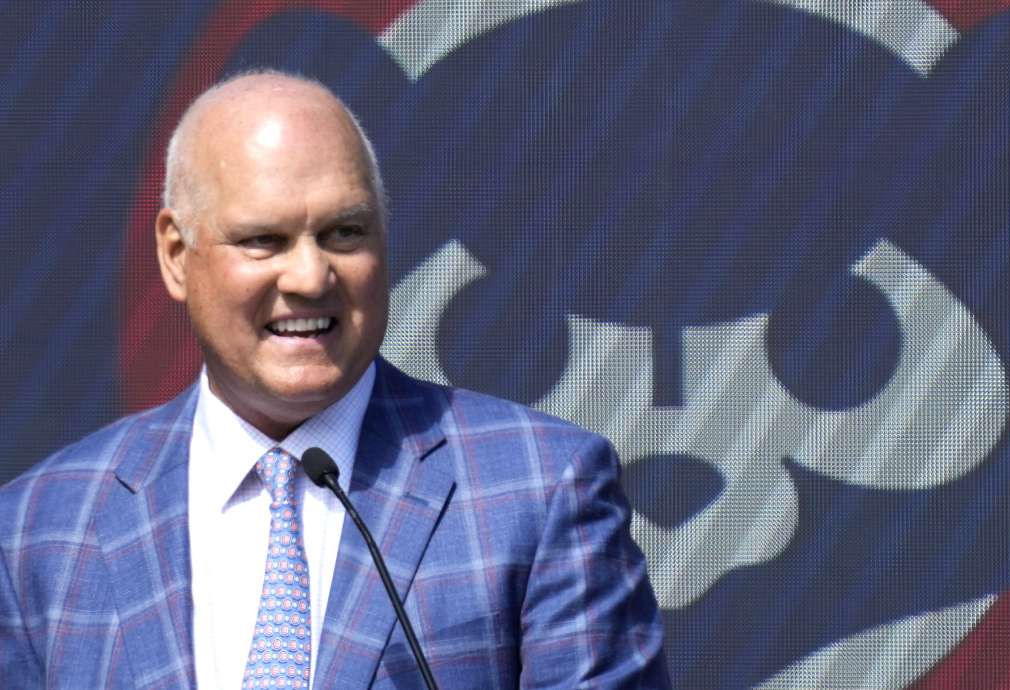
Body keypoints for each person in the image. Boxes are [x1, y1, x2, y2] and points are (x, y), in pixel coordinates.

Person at [0, 71, 670, 689]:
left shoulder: (539, 488)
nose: (310, 277)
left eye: (344, 233)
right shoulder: (40, 531)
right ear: (177, 255)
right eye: (263, 240)